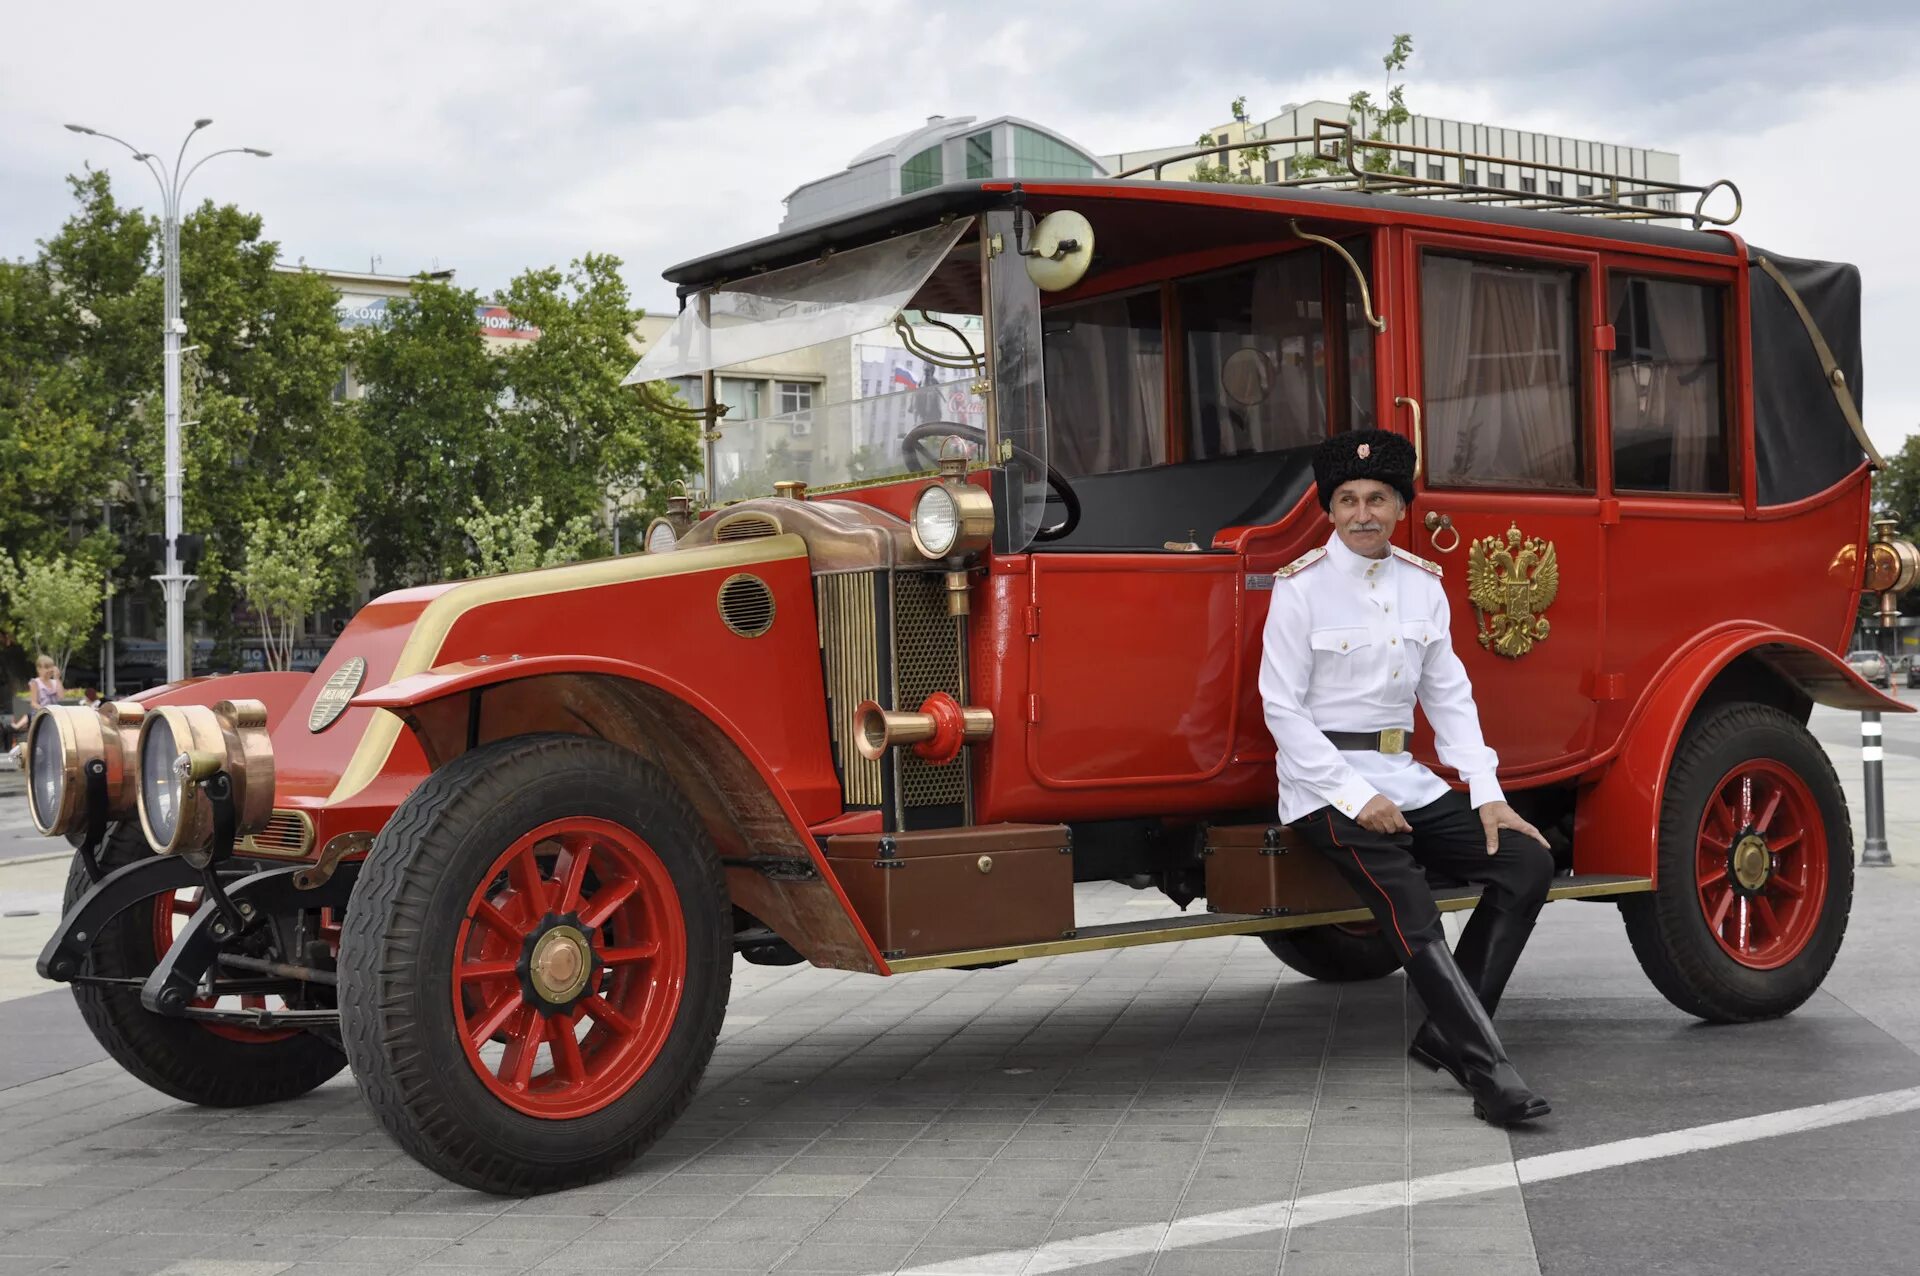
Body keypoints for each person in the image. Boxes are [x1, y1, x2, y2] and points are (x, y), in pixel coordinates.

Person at [1258, 429, 1556, 1126]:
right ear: (1330, 510)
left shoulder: (1423, 585)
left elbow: (1449, 695)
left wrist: (1487, 795)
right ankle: (1491, 1076)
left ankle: (1449, 1035)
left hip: (1405, 775)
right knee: (1414, 911)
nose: (1363, 512)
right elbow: (1281, 709)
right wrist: (1359, 798)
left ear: (1400, 507)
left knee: (1526, 863)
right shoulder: (1300, 589)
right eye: (1349, 500)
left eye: (1378, 499)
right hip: (1325, 785)